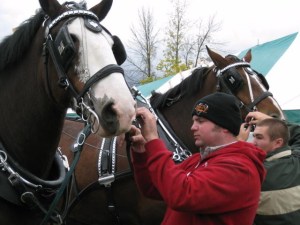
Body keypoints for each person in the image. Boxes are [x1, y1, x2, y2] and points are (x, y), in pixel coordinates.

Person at [129, 92, 266, 225]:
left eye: (200, 121)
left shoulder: (240, 168)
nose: (193, 127)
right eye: (194, 121)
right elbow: (152, 188)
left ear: (225, 127)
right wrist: (141, 152)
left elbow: (181, 195)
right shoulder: (197, 160)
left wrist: (153, 140)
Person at [239, 111, 300, 225]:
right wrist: (271, 120)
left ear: (278, 142)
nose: (253, 143)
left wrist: (238, 143)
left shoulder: (254, 172)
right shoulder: (297, 161)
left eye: (259, 137)